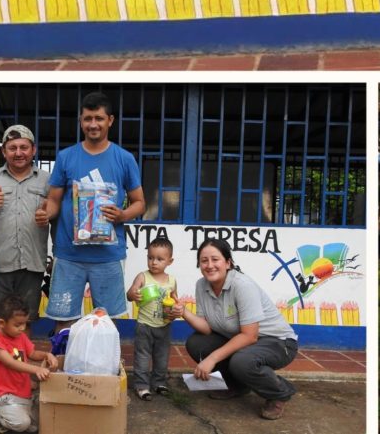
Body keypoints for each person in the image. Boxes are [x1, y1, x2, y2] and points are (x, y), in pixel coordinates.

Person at [35, 91, 145, 328]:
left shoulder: (124, 159)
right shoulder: (66, 157)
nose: (93, 124)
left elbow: (139, 202)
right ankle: (64, 363)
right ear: (80, 121)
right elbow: (54, 199)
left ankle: (102, 367)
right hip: (68, 255)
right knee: (63, 323)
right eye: (87, 119)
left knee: (105, 324)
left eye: (99, 118)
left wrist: (123, 214)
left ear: (110, 120)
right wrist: (47, 214)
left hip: (108, 255)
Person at [182, 238, 298, 421]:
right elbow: (206, 328)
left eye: (215, 259)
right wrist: (183, 312)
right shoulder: (201, 285)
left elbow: (250, 336)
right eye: (204, 261)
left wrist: (212, 359)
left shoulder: (242, 285)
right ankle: (238, 385)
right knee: (196, 343)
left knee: (241, 361)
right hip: (243, 340)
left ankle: (279, 392)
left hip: (277, 342)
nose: (209, 265)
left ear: (228, 263)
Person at [0, 125, 50, 346]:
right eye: (12, 148)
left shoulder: (47, 181)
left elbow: (59, 215)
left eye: (23, 147)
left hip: (32, 264)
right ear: (4, 152)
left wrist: (48, 215)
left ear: (33, 150)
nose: (18, 152)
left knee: (25, 323)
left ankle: (19, 375)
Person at [0, 295, 58, 434]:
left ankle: (19, 410)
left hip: (22, 392)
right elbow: (10, 363)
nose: (22, 328)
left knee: (38, 426)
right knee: (22, 424)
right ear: (1, 323)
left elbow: (32, 353)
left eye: (24, 324)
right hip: (4, 396)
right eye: (17, 325)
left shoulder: (21, 336)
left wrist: (47, 355)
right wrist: (37, 369)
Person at [126, 236, 179, 401]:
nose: (154, 262)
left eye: (159, 259)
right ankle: (142, 385)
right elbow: (130, 294)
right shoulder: (143, 276)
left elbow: (176, 300)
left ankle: (159, 382)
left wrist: (176, 309)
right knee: (142, 356)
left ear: (170, 261)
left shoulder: (171, 280)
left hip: (164, 325)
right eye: (150, 258)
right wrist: (133, 293)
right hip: (144, 325)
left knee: (162, 356)